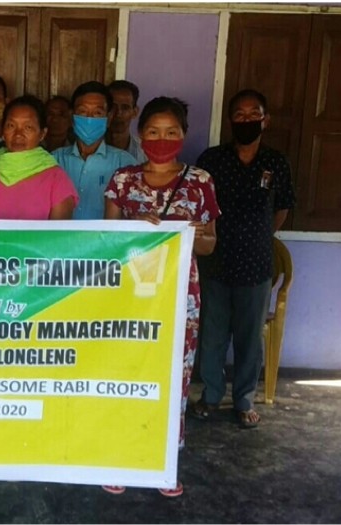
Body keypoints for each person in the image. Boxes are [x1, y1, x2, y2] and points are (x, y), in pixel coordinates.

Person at [103, 96, 220, 497]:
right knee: (125, 373)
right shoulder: (122, 180)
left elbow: (208, 247)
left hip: (179, 297)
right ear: (140, 135)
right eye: (153, 132)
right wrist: (134, 227)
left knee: (173, 376)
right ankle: (119, 456)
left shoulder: (200, 181)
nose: (162, 139)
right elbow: (107, 242)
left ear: (184, 135)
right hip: (127, 297)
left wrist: (198, 235)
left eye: (171, 132)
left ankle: (163, 462)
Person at [193, 89, 296, 429]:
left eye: (255, 113)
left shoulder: (275, 162)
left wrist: (257, 233)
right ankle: (209, 395)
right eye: (240, 114)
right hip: (215, 262)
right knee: (213, 333)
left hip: (255, 264)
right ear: (230, 120)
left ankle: (244, 400)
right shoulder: (212, 160)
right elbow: (199, 206)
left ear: (265, 120)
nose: (247, 119)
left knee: (250, 337)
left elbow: (281, 209)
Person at [0, 95, 78, 220]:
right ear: (3, 130)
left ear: (42, 134)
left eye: (28, 127)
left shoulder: (57, 179)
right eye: (11, 126)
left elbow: (58, 237)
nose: (18, 135)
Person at [52, 81, 137, 220]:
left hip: (105, 241)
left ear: (108, 118)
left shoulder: (125, 163)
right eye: (83, 111)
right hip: (62, 241)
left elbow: (133, 211)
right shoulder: (53, 160)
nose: (89, 118)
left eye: (97, 112)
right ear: (72, 116)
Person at [106, 80, 148, 163]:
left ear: (135, 112)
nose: (118, 113)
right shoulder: (92, 148)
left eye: (125, 107)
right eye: (113, 107)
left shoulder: (144, 153)